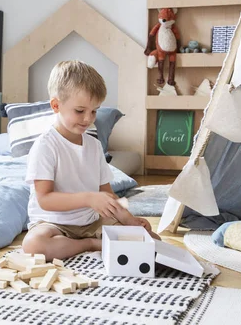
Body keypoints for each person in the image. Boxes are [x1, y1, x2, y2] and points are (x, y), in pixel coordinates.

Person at [22, 60, 160, 261]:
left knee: (153, 241)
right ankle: (89, 245)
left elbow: (108, 196)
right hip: (53, 225)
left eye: (94, 111)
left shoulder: (94, 146)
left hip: (92, 223)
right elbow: (45, 199)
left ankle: (95, 241)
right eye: (80, 111)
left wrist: (131, 222)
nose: (88, 119)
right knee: (33, 245)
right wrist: (88, 198)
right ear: (56, 105)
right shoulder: (45, 146)